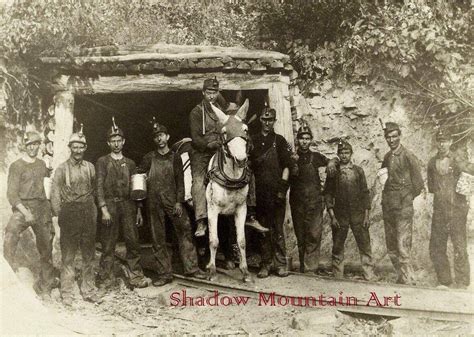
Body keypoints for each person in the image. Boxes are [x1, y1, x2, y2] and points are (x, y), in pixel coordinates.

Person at [189, 78, 265, 237]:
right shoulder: (197, 112)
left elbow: (236, 127)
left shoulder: (225, 110)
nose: (211, 96)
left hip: (222, 148)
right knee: (198, 179)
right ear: (203, 93)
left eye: (214, 92)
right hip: (202, 151)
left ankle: (250, 214)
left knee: (246, 170)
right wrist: (208, 144)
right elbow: (195, 139)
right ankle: (201, 219)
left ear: (218, 93)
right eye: (208, 92)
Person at [138, 122, 207, 286]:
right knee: (158, 238)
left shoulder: (175, 157)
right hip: (154, 203)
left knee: (185, 231)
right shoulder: (149, 158)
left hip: (173, 200)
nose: (159, 138)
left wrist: (178, 202)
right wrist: (142, 176)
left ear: (167, 137)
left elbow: (181, 181)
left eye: (161, 135)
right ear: (154, 139)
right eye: (156, 136)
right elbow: (138, 172)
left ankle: (192, 269)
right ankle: (164, 274)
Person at [51, 128, 102, 306]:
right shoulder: (61, 169)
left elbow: (95, 190)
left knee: (89, 254)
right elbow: (55, 194)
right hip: (70, 213)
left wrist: (94, 210)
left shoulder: (90, 167)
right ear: (70, 148)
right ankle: (67, 293)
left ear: (85, 148)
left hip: (88, 212)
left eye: (81, 147)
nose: (78, 150)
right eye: (75, 147)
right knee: (68, 256)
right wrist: (59, 217)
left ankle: (88, 290)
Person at [96, 120, 148, 290]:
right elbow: (98, 187)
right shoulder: (102, 162)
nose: (116, 144)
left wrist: (139, 211)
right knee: (108, 243)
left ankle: (135, 276)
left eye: (119, 140)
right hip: (110, 205)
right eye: (113, 141)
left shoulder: (131, 163)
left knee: (133, 242)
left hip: (128, 206)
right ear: (108, 143)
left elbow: (137, 189)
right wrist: (103, 209)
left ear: (123, 141)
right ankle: (106, 279)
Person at [4, 131, 55, 299]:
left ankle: (45, 286)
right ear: (24, 146)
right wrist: (25, 212)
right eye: (29, 145)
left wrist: (49, 208)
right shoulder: (17, 166)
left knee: (46, 244)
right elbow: (12, 195)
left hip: (41, 207)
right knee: (10, 233)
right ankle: (7, 279)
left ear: (39, 145)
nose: (33, 147)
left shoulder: (42, 165)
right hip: (23, 206)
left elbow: (47, 188)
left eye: (35, 144)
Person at [427, 129, 474, 289]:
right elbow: (432, 187)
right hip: (439, 211)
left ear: (450, 141)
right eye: (439, 140)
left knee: (459, 245)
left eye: (445, 140)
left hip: (456, 211)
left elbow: (471, 171)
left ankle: (462, 283)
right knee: (436, 246)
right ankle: (445, 281)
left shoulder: (457, 159)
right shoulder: (432, 163)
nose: (442, 144)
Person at [250, 107, 293, 278]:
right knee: (262, 231)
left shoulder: (280, 141)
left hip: (276, 194)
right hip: (260, 195)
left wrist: (282, 189)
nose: (267, 123)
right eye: (264, 119)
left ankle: (281, 264)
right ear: (260, 120)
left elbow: (287, 166)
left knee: (277, 229)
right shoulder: (253, 141)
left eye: (270, 120)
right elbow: (248, 167)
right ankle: (265, 264)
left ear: (274, 121)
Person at [325, 140, 375, 280]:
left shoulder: (358, 171)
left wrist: (366, 215)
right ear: (338, 154)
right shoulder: (334, 172)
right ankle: (337, 274)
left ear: (351, 154)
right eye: (341, 153)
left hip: (358, 214)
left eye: (347, 152)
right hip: (340, 215)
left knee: (364, 243)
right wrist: (332, 216)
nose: (344, 155)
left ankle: (369, 273)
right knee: (338, 245)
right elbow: (328, 194)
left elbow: (365, 193)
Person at [381, 122, 424, 284]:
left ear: (399, 136)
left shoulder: (408, 156)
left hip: (403, 208)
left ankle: (408, 281)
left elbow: (419, 184)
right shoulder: (387, 157)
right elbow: (383, 178)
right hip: (389, 207)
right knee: (391, 246)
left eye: (394, 136)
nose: (391, 140)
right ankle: (401, 277)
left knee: (402, 245)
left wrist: (406, 197)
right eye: (388, 137)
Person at [289, 125, 336, 274]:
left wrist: (331, 162)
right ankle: (303, 267)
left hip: (315, 202)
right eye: (302, 138)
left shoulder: (315, 157)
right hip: (297, 203)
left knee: (314, 235)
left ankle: (311, 269)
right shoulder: (291, 158)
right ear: (298, 140)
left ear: (311, 140)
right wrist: (292, 165)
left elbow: (333, 160)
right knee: (301, 236)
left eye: (307, 138)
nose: (304, 141)